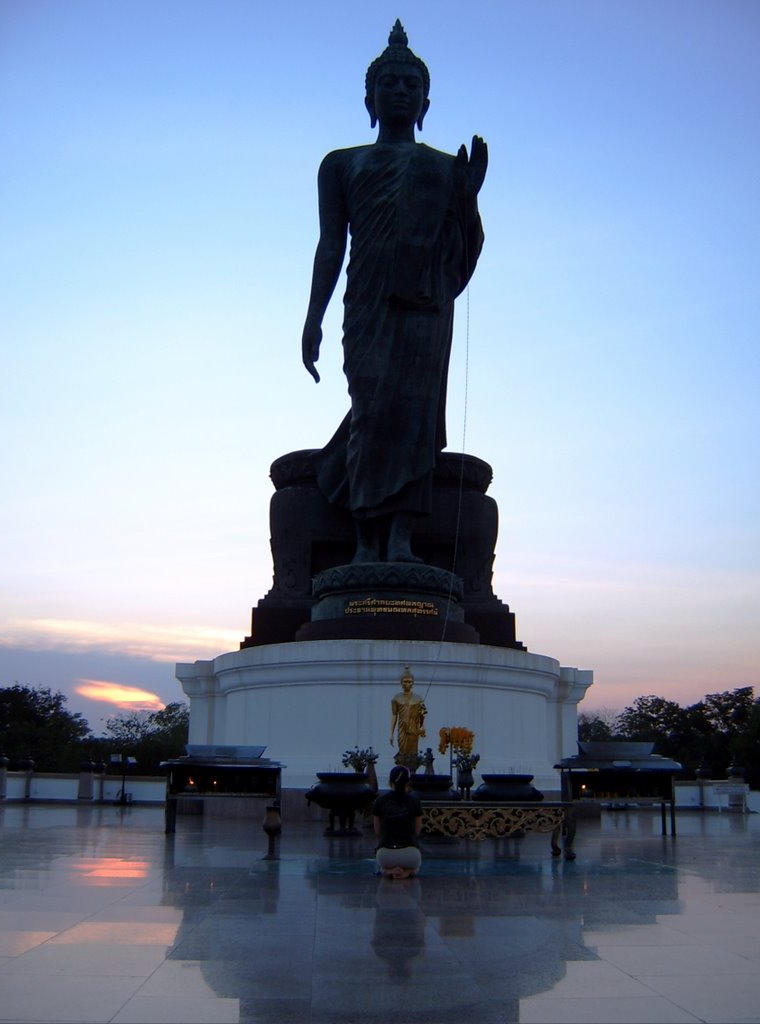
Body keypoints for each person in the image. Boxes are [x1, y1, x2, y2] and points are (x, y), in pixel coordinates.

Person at [302, 20, 487, 563]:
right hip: (367, 302)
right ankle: (363, 541)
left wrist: (468, 199)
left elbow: (465, 249)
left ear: (426, 100)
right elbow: (330, 245)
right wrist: (312, 317)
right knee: (371, 410)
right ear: (370, 96)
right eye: (391, 84)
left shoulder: (443, 167)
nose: (401, 92)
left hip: (425, 305)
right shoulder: (341, 165)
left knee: (413, 414)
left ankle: (402, 538)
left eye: (411, 85)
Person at [372, 764, 423, 879]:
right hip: (411, 855)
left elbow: (377, 831)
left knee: (380, 863)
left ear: (390, 782)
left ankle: (387, 870)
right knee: (417, 864)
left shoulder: (380, 801)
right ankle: (408, 871)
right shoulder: (414, 801)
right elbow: (417, 830)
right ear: (407, 783)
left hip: (386, 855)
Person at [389, 667, 426, 767]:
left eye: (410, 681)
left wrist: (422, 726)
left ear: (413, 683)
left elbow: (422, 715)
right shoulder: (396, 698)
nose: (407, 684)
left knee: (412, 753)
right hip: (402, 728)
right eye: (405, 681)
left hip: (413, 728)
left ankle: (411, 771)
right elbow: (394, 715)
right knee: (402, 751)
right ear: (401, 683)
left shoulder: (418, 698)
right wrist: (391, 733)